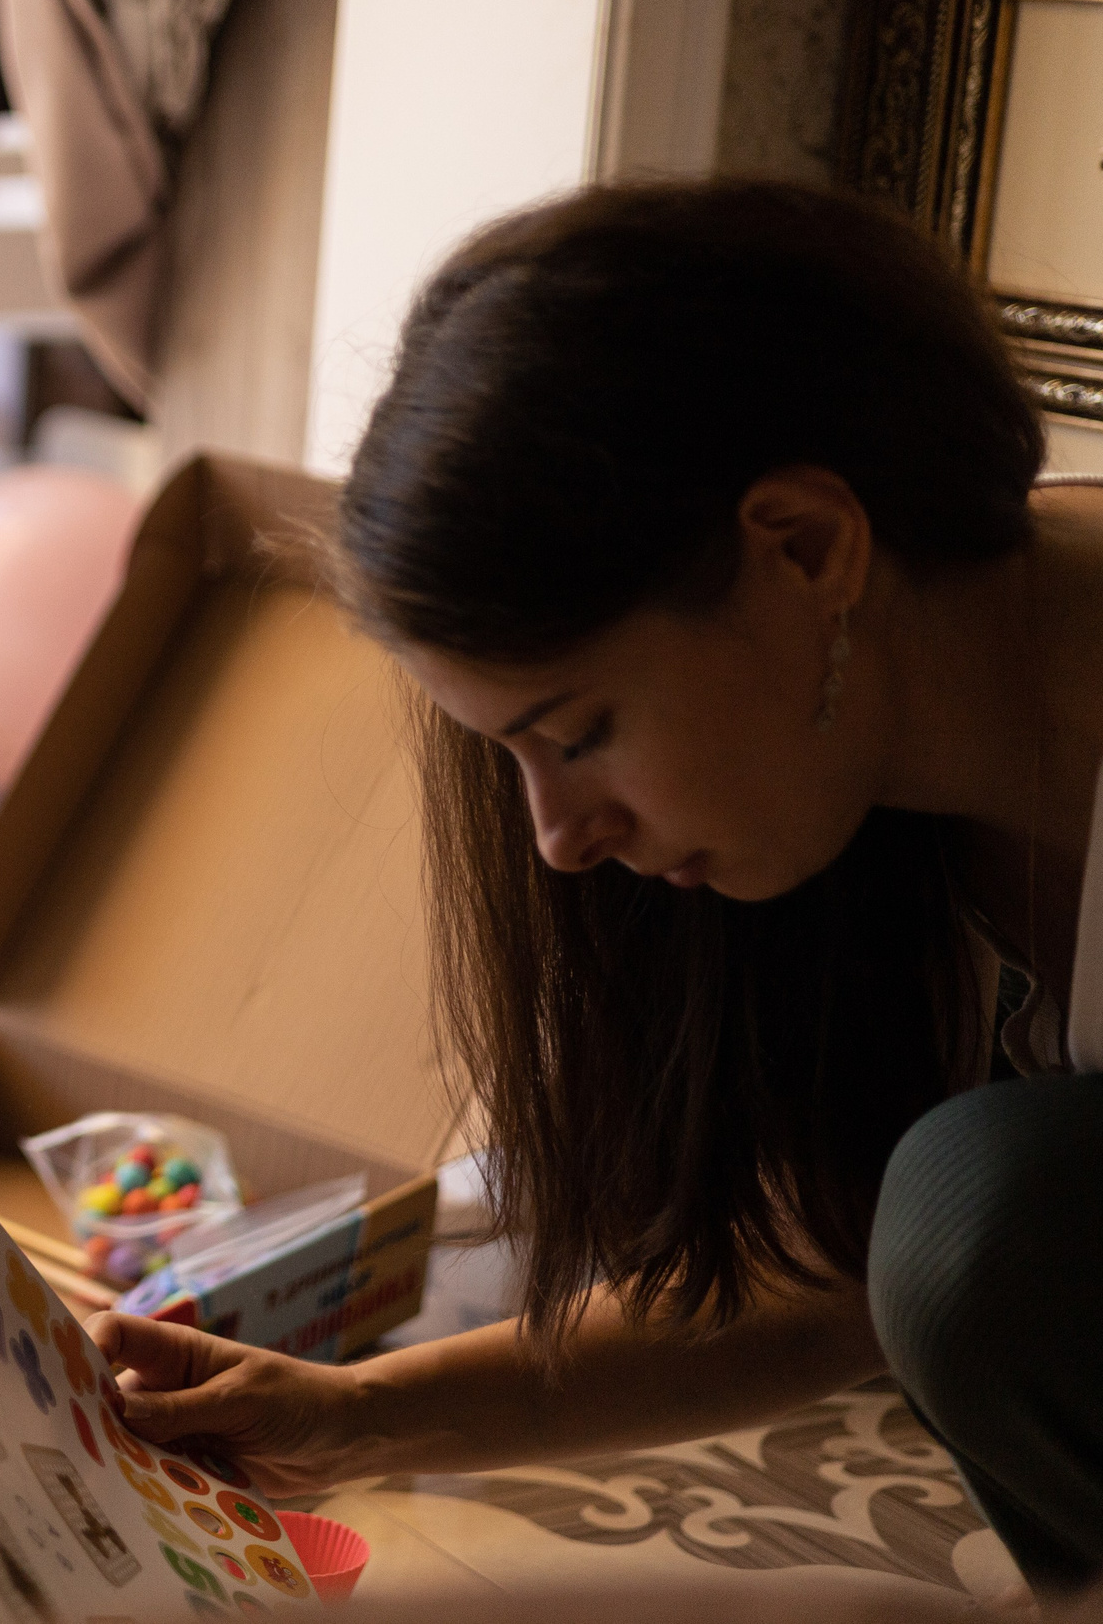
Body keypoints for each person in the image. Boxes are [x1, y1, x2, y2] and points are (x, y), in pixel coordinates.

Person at [84, 179, 1103, 1596]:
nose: (559, 837)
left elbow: (977, 1247)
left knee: (988, 1197)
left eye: (580, 734)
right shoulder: (869, 762)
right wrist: (356, 1417)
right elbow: (846, 1260)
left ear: (808, 548)